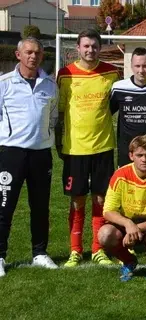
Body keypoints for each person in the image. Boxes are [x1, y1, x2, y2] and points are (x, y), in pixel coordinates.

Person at [56, 29, 120, 267]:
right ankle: (75, 250)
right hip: (75, 149)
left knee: (101, 199)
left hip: (103, 147)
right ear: (78, 48)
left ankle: (97, 249)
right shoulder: (66, 75)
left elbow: (113, 105)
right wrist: (59, 141)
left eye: (94, 46)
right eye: (86, 46)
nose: (90, 50)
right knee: (77, 200)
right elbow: (60, 111)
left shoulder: (111, 73)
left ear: (100, 47)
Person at [0, 37, 59, 276]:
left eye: (37, 53)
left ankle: (40, 253)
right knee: (4, 206)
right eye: (28, 52)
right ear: (18, 55)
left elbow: (53, 117)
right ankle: (0, 256)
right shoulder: (4, 83)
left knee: (40, 206)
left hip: (41, 154)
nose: (33, 57)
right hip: (10, 154)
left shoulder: (50, 85)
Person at [98, 135, 146, 281]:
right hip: (128, 222)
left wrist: (137, 227)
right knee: (105, 234)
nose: (144, 159)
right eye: (139, 155)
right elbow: (108, 211)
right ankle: (128, 260)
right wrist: (128, 224)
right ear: (131, 156)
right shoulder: (120, 175)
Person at [110, 47, 146, 167]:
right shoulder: (119, 88)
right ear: (131, 66)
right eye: (137, 66)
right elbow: (106, 114)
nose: (141, 70)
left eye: (145, 66)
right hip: (128, 156)